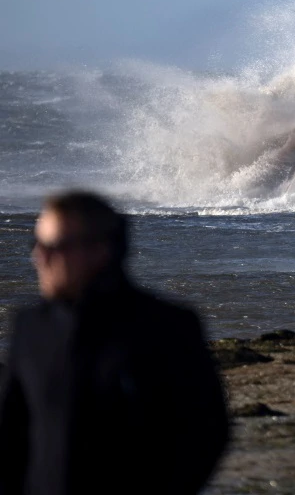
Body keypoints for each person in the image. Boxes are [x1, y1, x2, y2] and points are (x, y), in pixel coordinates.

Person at [0, 191, 229, 494]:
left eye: (55, 247)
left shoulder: (165, 325)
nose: (39, 259)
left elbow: (207, 431)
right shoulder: (30, 327)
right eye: (37, 245)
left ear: (100, 251)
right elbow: (9, 432)